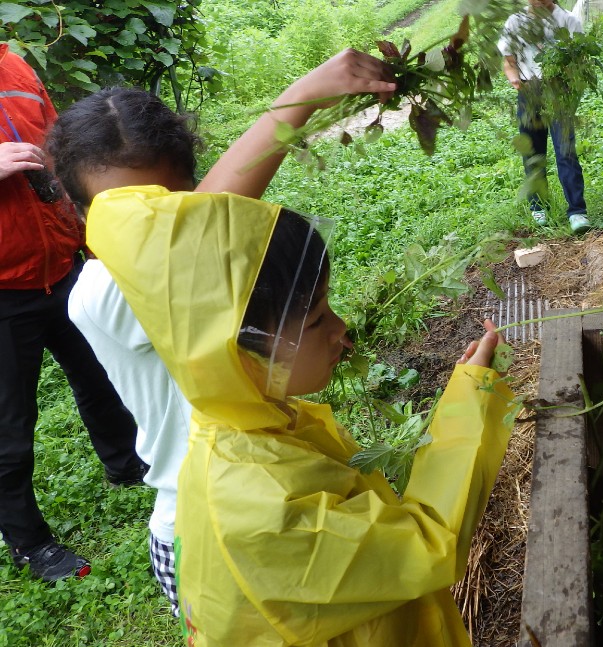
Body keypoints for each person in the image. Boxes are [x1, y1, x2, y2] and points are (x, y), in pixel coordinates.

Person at [47, 48, 397, 614]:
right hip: (205, 526)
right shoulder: (100, 295)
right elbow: (210, 216)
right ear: (83, 211)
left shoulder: (226, 256)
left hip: (279, 494)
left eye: (168, 209)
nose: (158, 234)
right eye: (131, 217)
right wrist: (300, 97)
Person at [86, 186, 517, 646]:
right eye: (315, 320)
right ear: (235, 350)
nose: (340, 329)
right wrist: (472, 394)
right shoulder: (260, 504)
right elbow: (427, 543)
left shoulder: (255, 424)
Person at [0, 43, 146, 582]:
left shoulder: (12, 63)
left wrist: (87, 233)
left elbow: (59, 150)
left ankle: (125, 463)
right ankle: (29, 543)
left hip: (60, 262)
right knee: (9, 425)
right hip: (3, 288)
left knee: (99, 374)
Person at [498, 0, 592, 234]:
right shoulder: (515, 22)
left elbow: (578, 61)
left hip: (560, 94)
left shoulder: (569, 21)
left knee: (566, 152)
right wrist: (514, 77)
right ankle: (538, 207)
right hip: (529, 93)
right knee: (534, 153)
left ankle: (577, 211)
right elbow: (508, 61)